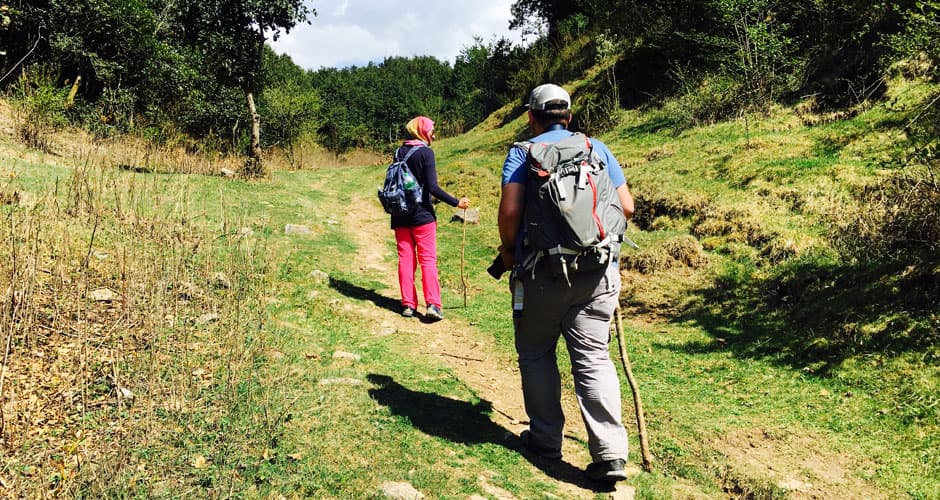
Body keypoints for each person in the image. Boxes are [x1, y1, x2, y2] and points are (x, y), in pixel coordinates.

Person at [497, 84, 636, 482]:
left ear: (531, 117)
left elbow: (510, 211)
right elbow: (626, 206)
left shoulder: (523, 153)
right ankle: (610, 453)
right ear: (569, 117)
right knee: (593, 358)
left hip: (541, 274)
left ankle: (545, 440)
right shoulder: (597, 148)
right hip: (597, 273)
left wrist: (509, 250)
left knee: (537, 353)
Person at [391, 116, 470, 321]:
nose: (434, 134)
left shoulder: (398, 152)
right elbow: (433, 187)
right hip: (422, 215)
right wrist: (456, 202)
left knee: (406, 260)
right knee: (427, 260)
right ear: (421, 131)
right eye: (432, 130)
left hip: (399, 214)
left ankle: (408, 304)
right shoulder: (426, 153)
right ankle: (433, 304)